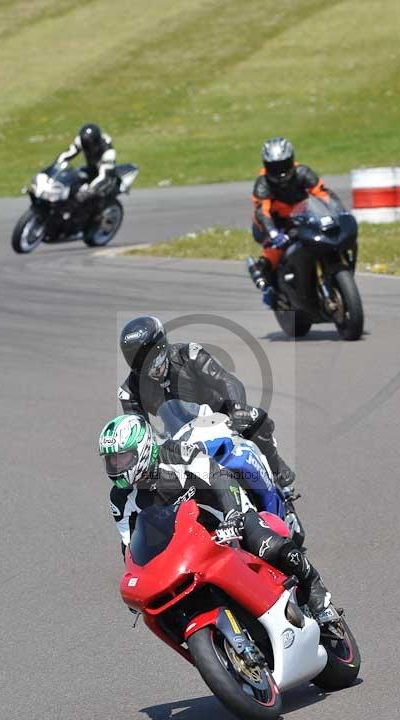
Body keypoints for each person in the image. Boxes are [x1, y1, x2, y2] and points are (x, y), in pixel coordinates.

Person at [99, 413, 331, 619]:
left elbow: (217, 475)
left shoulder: (174, 452)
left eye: (122, 458)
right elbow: (129, 544)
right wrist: (139, 577)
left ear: (144, 448)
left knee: (268, 546)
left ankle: (315, 590)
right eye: (111, 460)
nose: (116, 466)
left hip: (224, 519)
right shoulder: (120, 498)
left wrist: (233, 514)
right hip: (187, 548)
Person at [117, 315, 295, 488]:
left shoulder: (188, 355)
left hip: (220, 417)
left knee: (257, 419)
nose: (142, 362)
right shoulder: (129, 391)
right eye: (135, 357)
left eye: (145, 354)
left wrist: (235, 409)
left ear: (160, 345)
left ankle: (276, 466)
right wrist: (157, 446)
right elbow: (139, 433)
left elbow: (227, 381)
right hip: (179, 436)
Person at [248, 136, 331, 310]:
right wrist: (272, 233)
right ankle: (267, 284)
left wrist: (333, 213)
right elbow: (262, 212)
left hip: (302, 217)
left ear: (291, 160)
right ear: (266, 165)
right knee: (275, 250)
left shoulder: (303, 172)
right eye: (274, 167)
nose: (280, 172)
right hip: (272, 225)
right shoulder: (263, 183)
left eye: (283, 165)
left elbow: (323, 194)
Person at [55, 123, 117, 202]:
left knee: (89, 196)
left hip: (106, 174)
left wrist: (88, 190)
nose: (87, 146)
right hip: (92, 168)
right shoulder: (81, 141)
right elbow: (66, 155)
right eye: (85, 144)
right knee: (75, 176)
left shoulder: (108, 153)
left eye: (89, 144)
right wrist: (56, 167)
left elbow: (104, 177)